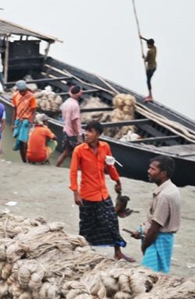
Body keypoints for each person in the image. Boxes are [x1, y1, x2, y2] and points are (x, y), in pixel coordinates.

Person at [70, 121, 133, 262]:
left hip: (103, 195)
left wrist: (117, 180)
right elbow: (73, 172)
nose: (86, 134)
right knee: (86, 226)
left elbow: (110, 166)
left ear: (98, 134)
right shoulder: (79, 150)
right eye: (86, 131)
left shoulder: (105, 147)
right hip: (87, 196)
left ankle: (118, 252)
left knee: (112, 222)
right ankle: (82, 252)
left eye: (90, 131)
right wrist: (75, 192)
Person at [128, 156, 181, 273]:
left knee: (148, 275)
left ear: (163, 173)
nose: (148, 171)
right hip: (162, 238)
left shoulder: (164, 196)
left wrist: (145, 246)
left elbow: (155, 228)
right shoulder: (171, 189)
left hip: (158, 240)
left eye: (153, 169)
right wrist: (141, 230)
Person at [55, 85, 84, 167]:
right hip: (73, 133)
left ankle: (57, 166)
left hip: (66, 130)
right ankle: (78, 170)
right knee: (81, 153)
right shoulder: (75, 105)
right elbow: (74, 122)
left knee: (66, 152)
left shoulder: (66, 102)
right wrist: (78, 136)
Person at [11, 80, 37, 163]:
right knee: (20, 142)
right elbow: (15, 109)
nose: (22, 93)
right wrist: (13, 123)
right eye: (21, 91)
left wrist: (31, 123)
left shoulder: (31, 96)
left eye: (23, 91)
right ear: (18, 90)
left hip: (27, 121)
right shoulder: (15, 96)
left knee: (25, 142)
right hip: (19, 120)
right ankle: (24, 161)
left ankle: (29, 159)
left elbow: (33, 111)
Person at [140, 36, 157, 102]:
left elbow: (146, 60)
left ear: (150, 45)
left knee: (148, 81)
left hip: (150, 68)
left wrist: (143, 57)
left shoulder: (149, 51)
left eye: (147, 44)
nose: (147, 45)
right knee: (148, 81)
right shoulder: (155, 48)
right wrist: (142, 38)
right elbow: (150, 41)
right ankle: (149, 95)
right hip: (154, 66)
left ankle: (150, 96)